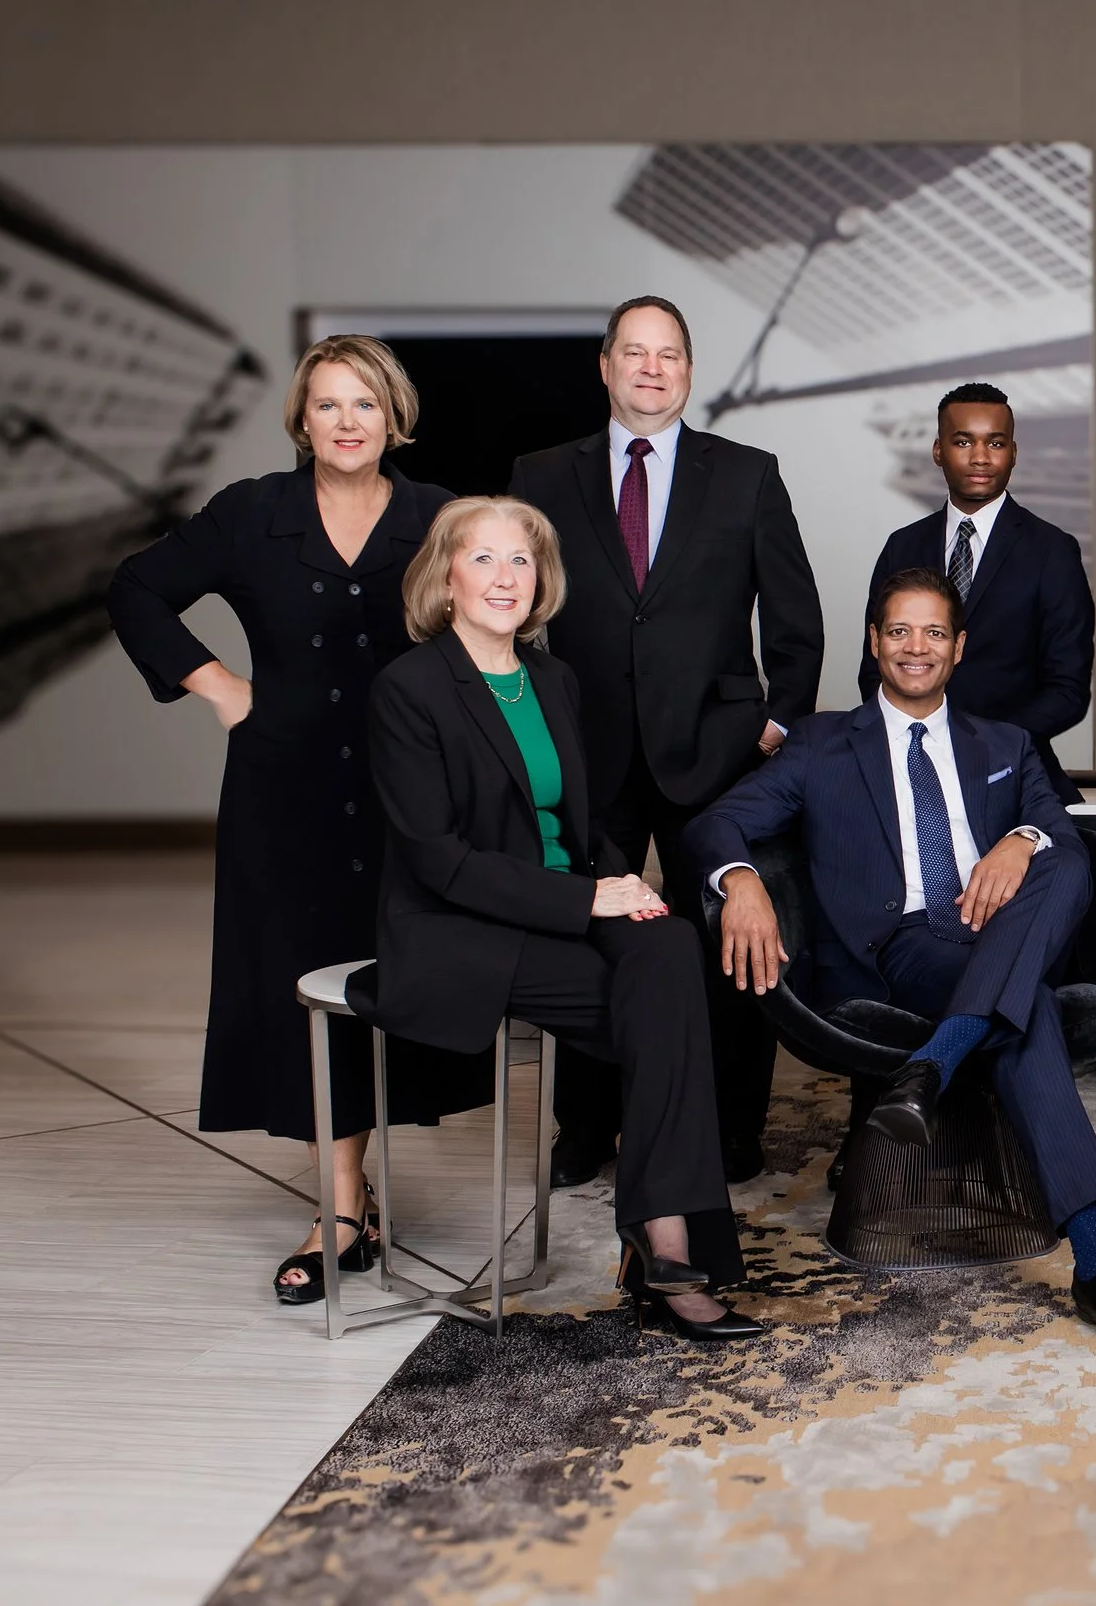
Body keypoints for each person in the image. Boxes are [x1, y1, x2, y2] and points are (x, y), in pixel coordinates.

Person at [689, 569, 1096, 1357]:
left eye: (932, 632)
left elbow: (1058, 833)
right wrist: (742, 880)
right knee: (1026, 1008)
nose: (915, 647)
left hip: (992, 932)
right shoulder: (821, 742)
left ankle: (932, 1066)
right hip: (897, 949)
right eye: (899, 630)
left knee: (1062, 853)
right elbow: (717, 822)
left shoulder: (1006, 743)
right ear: (875, 643)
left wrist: (1018, 842)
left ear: (958, 647)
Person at [107, 335, 487, 1307]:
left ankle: (354, 1197)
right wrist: (219, 686)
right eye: (328, 404)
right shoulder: (251, 512)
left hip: (411, 794)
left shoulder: (439, 515)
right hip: (285, 794)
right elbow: (135, 587)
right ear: (302, 419)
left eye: (365, 403)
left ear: (393, 416)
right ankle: (341, 1207)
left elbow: (500, 622)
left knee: (387, 978)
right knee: (306, 988)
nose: (347, 421)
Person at [352, 496, 762, 1342]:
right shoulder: (409, 688)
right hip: (459, 926)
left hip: (562, 901)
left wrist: (622, 879)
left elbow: (575, 827)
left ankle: (662, 1244)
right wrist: (588, 898)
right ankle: (669, 1248)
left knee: (671, 945)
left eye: (522, 560)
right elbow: (438, 858)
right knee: (667, 1006)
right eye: (484, 558)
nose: (506, 577)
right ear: (446, 578)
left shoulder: (551, 679)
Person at [509, 296, 823, 1189]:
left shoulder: (748, 474)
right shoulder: (541, 475)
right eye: (635, 352)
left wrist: (776, 723)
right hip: (585, 751)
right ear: (605, 366)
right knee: (587, 934)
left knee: (731, 939)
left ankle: (729, 1125)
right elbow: (515, 612)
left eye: (670, 354)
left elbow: (795, 620)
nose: (652, 368)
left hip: (718, 752)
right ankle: (585, 1126)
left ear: (689, 370)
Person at [858, 382, 1094, 805]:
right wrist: (921, 739)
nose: (981, 457)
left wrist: (985, 745)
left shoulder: (1052, 551)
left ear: (1014, 453)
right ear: (938, 450)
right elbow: (873, 670)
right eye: (963, 441)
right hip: (908, 770)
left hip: (1014, 776)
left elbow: (1068, 690)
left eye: (996, 443)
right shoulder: (902, 546)